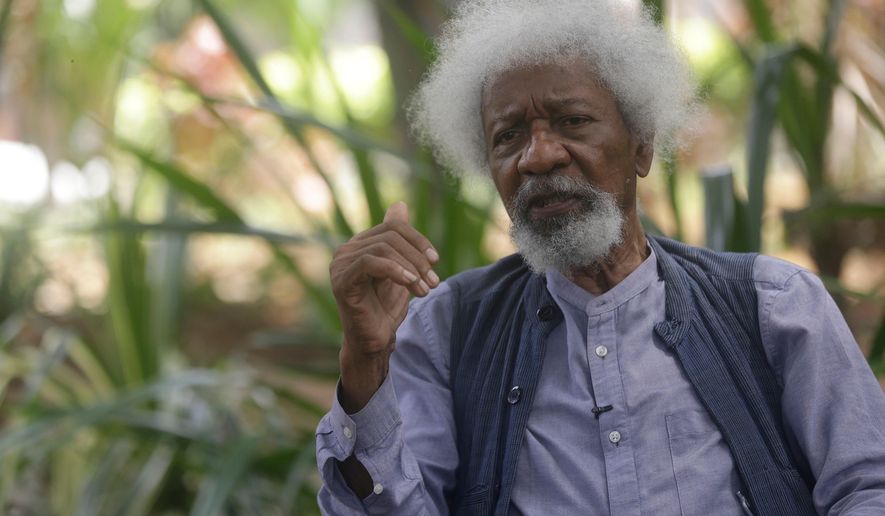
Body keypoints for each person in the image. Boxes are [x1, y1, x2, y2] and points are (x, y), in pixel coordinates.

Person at [315, 0, 885, 514]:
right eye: (508, 136)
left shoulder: (774, 306)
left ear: (641, 145)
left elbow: (868, 487)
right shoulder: (448, 328)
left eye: (572, 121)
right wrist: (364, 360)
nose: (538, 156)